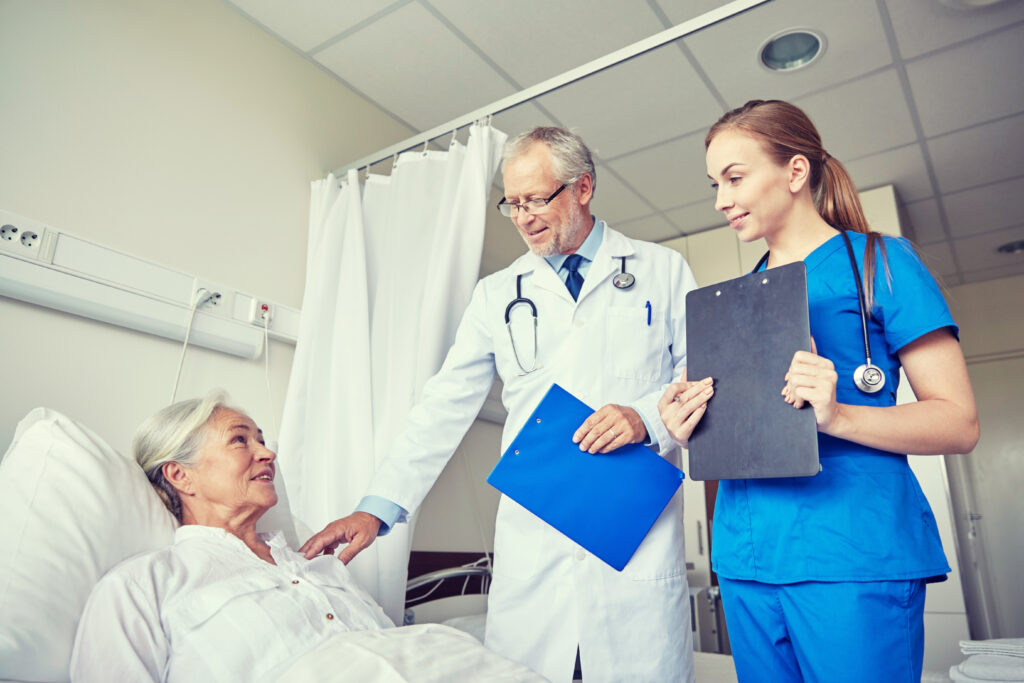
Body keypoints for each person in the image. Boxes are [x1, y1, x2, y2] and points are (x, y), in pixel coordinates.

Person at [300, 126, 700, 682]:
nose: (523, 217)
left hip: (633, 538)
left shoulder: (662, 270)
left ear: (582, 188)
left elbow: (700, 377)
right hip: (538, 538)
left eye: (537, 199)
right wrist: (377, 508)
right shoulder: (498, 294)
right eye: (512, 203)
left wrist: (645, 416)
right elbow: (442, 406)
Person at [659, 99, 980, 683]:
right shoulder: (735, 301)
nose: (720, 200)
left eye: (734, 178)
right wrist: (687, 425)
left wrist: (840, 418)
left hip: (851, 550)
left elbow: (959, 423)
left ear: (795, 172)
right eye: (714, 184)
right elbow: (747, 434)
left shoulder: (881, 264)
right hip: (748, 557)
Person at [70, 394, 542, 683]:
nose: (267, 452)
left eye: (262, 438)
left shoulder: (320, 567)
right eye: (241, 440)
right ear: (181, 475)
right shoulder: (142, 586)